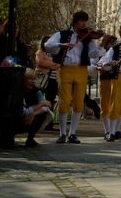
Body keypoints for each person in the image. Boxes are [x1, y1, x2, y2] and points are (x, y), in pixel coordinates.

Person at [44, 11, 103, 143]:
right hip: (65, 69)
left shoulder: (88, 37)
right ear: (75, 21)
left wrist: (100, 46)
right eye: (82, 21)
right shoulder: (62, 34)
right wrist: (61, 45)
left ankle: (73, 133)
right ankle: (62, 133)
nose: (84, 24)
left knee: (78, 101)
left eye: (85, 21)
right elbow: (48, 45)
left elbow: (93, 55)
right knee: (64, 101)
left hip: (81, 69)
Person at [15, 69, 51, 148]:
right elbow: (23, 111)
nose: (32, 81)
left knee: (45, 114)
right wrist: (40, 104)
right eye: (30, 79)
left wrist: (33, 114)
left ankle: (30, 139)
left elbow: (47, 107)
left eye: (34, 79)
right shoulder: (18, 91)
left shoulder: (36, 91)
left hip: (29, 118)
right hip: (16, 119)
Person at [35, 36, 60, 129]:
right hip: (42, 79)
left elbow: (59, 65)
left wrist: (52, 64)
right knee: (39, 99)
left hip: (53, 80)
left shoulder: (56, 53)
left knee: (51, 101)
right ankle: (36, 121)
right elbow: (41, 62)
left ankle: (49, 123)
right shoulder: (40, 52)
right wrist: (54, 65)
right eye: (46, 42)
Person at [96, 34, 118, 141]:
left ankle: (114, 130)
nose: (113, 45)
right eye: (111, 42)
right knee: (105, 105)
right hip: (104, 79)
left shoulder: (116, 52)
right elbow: (97, 66)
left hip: (115, 79)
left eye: (114, 43)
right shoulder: (99, 51)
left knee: (116, 105)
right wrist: (106, 65)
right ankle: (107, 131)